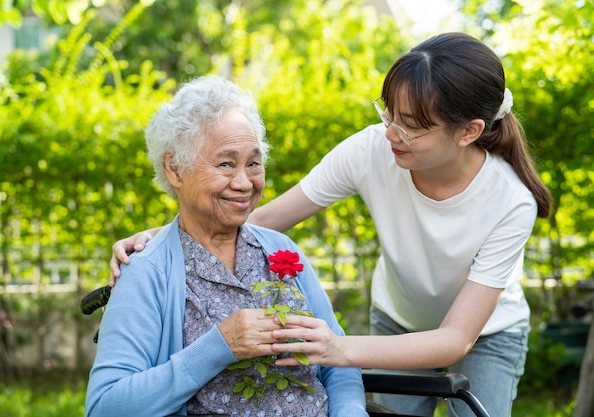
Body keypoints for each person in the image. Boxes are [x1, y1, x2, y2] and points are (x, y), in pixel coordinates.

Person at [110, 32, 552, 417]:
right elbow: (253, 218)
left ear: (469, 132)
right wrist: (162, 238)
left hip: (485, 333)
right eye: (390, 114)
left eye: (412, 126)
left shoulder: (511, 200)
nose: (392, 133)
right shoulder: (372, 149)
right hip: (398, 319)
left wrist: (338, 351)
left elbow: (456, 339)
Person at [85, 75, 368, 417]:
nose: (244, 182)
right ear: (175, 169)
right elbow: (105, 406)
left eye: (253, 163)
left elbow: (338, 361)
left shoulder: (281, 251)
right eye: (225, 164)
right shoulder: (145, 271)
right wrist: (219, 346)